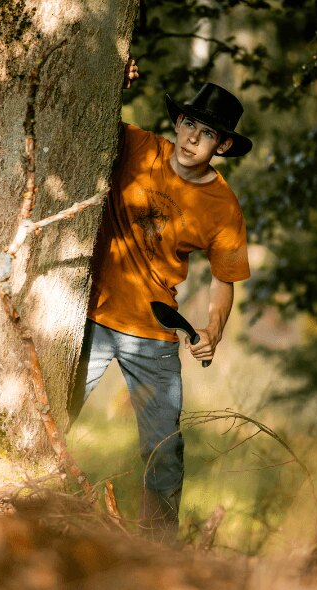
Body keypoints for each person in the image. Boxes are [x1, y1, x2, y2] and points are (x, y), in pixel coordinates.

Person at [68, 60, 253, 541]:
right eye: (189, 122)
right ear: (177, 122)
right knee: (50, 414)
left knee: (163, 450)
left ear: (224, 145)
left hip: (153, 336)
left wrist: (214, 329)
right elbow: (83, 112)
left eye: (207, 132)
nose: (192, 137)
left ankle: (160, 553)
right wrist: (113, 78)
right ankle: (26, 504)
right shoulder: (136, 146)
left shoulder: (223, 206)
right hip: (87, 317)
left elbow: (224, 279)